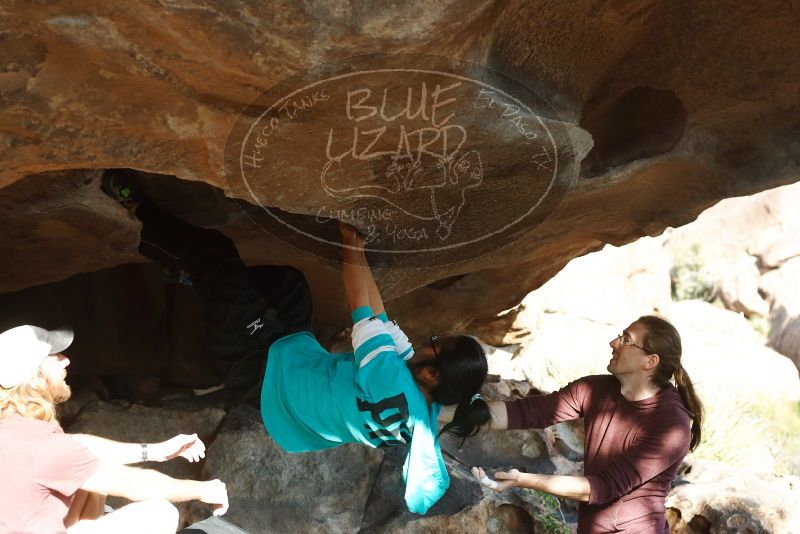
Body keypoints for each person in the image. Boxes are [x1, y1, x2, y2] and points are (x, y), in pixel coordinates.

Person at [99, 168, 493, 513]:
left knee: (215, 254)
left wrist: (349, 244)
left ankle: (137, 207)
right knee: (289, 285)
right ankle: (202, 281)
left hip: (263, 374)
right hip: (293, 371)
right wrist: (360, 253)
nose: (427, 340)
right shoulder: (420, 405)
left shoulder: (392, 380)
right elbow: (381, 317)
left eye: (435, 344)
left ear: (432, 373)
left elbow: (359, 306)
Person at [469, 316, 703, 534]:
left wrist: (522, 480)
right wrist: (446, 412)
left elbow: (601, 488)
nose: (613, 343)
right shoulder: (594, 389)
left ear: (650, 361)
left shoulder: (671, 425)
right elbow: (525, 412)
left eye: (626, 340)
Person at [0, 324, 229, 534]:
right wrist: (204, 490)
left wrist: (157, 451)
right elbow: (132, 485)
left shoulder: (15, 429)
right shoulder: (43, 447)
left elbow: (78, 446)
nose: (66, 360)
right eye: (54, 356)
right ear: (32, 378)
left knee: (88, 486)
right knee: (160, 514)